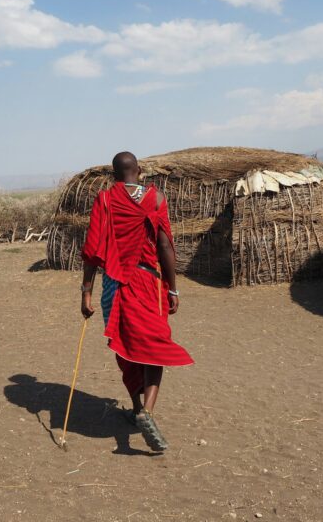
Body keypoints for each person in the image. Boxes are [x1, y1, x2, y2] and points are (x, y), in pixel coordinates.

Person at [80, 151, 193, 452]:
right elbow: (165, 245)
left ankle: (134, 408)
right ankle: (147, 411)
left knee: (126, 348)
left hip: (113, 286)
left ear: (114, 174)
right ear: (139, 171)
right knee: (154, 346)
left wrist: (85, 292)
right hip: (148, 284)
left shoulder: (104, 200)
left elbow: (92, 250)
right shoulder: (155, 199)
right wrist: (173, 288)